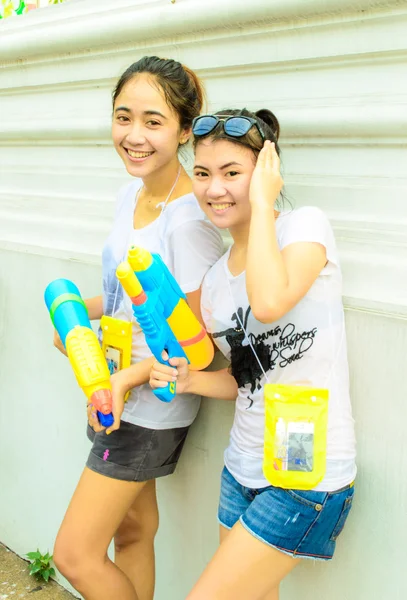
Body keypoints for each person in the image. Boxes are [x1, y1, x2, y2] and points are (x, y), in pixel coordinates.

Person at [150, 108, 357, 600]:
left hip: (307, 476)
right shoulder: (216, 280)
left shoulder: (305, 228)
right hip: (241, 466)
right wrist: (190, 379)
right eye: (202, 174)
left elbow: (268, 302)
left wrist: (262, 204)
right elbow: (247, 379)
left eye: (232, 173)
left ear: (266, 171)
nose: (213, 189)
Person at [52, 57, 223, 600]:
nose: (133, 135)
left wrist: (127, 380)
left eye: (153, 121)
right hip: (113, 385)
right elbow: (132, 294)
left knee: (74, 555)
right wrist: (79, 312)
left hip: (148, 404)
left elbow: (199, 348)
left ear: (184, 130)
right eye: (123, 117)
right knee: (133, 531)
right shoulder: (131, 193)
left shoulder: (189, 220)